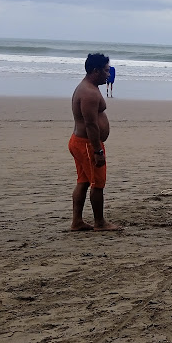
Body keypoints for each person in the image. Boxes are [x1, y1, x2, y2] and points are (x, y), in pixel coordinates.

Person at [68, 53, 121, 231]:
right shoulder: (89, 93)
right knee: (97, 184)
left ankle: (77, 222)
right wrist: (98, 151)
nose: (108, 74)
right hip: (87, 144)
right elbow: (91, 124)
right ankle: (100, 223)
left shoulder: (90, 87)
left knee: (83, 181)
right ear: (95, 70)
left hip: (81, 142)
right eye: (106, 71)